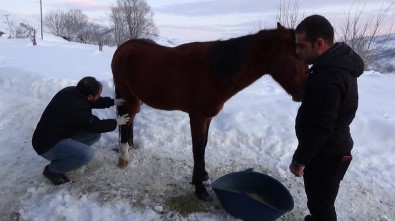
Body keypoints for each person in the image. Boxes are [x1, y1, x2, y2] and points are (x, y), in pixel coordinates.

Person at [289, 15, 364, 221]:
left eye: (301, 46)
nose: (297, 51)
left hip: (327, 154)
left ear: (319, 43)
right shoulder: (333, 66)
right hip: (329, 150)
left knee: (321, 205)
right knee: (320, 200)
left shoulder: (329, 76)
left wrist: (300, 160)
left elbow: (321, 126)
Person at [32, 76, 130, 185]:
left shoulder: (71, 91)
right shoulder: (77, 109)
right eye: (98, 94)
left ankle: (70, 157)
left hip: (55, 135)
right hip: (47, 146)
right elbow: (95, 125)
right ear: (89, 96)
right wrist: (116, 122)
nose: (99, 95)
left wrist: (113, 102)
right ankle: (52, 170)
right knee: (86, 154)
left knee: (94, 135)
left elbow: (93, 101)